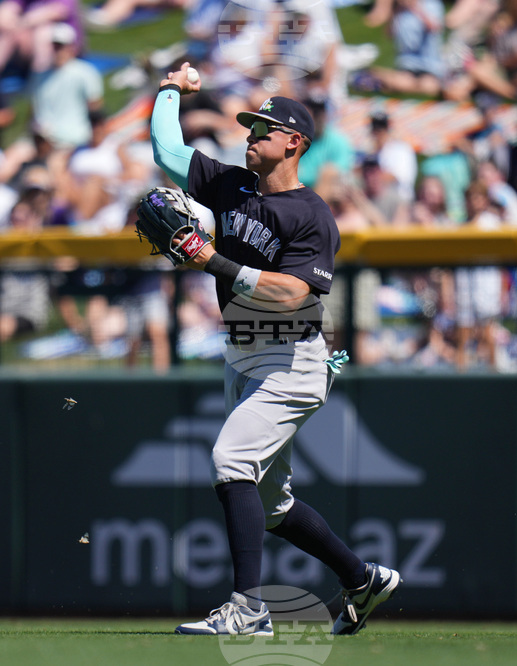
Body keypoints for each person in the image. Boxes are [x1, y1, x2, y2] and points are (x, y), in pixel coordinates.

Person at [150, 63, 401, 636]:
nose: (251, 134)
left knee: (231, 462)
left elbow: (292, 292)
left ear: (295, 142)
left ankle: (248, 609)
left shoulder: (311, 215)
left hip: (292, 360)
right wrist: (170, 90)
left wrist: (210, 260)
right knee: (270, 507)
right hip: (241, 355)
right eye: (250, 126)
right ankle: (361, 577)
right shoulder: (230, 183)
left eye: (264, 128)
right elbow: (168, 150)